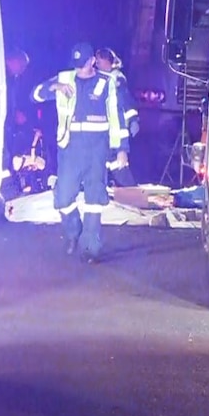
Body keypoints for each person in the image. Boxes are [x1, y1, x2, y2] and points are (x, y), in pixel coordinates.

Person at [33, 42, 128, 263]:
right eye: (75, 65)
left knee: (95, 198)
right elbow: (35, 95)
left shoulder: (107, 83)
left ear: (92, 61)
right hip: (70, 148)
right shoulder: (64, 78)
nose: (78, 70)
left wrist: (121, 149)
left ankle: (91, 247)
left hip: (97, 149)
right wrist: (54, 87)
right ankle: (73, 231)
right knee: (63, 196)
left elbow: (117, 118)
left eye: (82, 65)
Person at [95, 47, 138, 187]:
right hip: (105, 133)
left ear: (108, 62)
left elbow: (125, 103)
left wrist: (133, 120)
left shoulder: (116, 79)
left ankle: (132, 195)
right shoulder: (101, 78)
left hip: (116, 133)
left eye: (100, 63)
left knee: (118, 167)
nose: (98, 66)